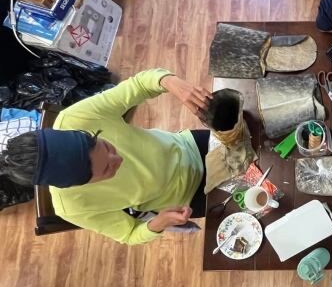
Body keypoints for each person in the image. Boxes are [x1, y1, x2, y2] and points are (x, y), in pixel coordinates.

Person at [0, 69, 212, 245]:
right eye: (107, 171)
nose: (118, 160)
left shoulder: (76, 118)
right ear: (78, 185)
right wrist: (159, 222)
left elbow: (139, 85)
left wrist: (170, 82)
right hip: (190, 197)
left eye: (107, 147)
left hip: (190, 146)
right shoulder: (73, 207)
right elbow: (129, 234)